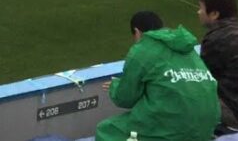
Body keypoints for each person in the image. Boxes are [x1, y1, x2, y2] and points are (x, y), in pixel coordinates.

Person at [92, 11, 220, 141]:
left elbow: (125, 99)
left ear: (137, 32)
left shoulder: (142, 49)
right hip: (207, 125)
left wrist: (115, 86)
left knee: (106, 130)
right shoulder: (188, 49)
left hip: (174, 127)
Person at [198, 0, 238, 133]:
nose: (198, 12)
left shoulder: (216, 38)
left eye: (201, 8)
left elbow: (202, 77)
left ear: (214, 14)